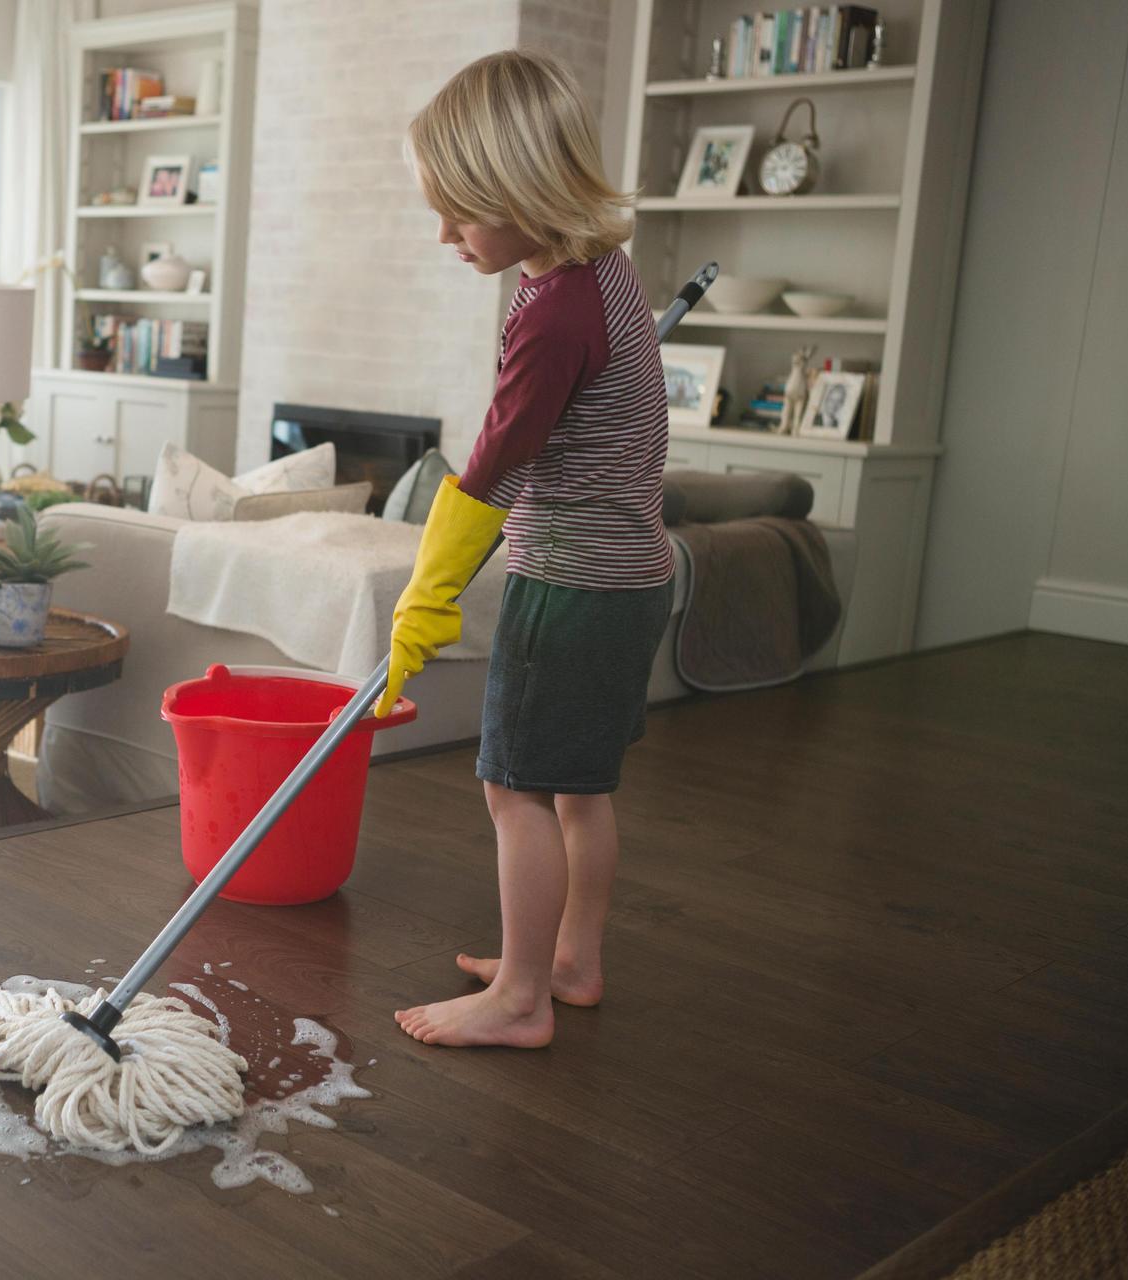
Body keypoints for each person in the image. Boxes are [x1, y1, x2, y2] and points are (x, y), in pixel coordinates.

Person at [380, 50, 672, 1049]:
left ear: (521, 190)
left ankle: (518, 999)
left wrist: (424, 595)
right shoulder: (598, 274)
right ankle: (568, 963)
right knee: (580, 787)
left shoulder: (552, 315)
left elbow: (491, 470)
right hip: (632, 576)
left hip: (570, 587)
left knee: (514, 789)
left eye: (460, 213)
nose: (446, 235)